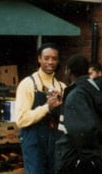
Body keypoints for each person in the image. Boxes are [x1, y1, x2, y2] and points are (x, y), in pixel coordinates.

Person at [16, 43, 66, 174]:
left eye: (54, 58)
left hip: (56, 141)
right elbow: (21, 120)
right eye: (46, 58)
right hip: (34, 140)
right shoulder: (27, 84)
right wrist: (47, 107)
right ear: (39, 59)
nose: (50, 62)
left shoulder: (62, 87)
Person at [55, 55, 102, 174]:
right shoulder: (93, 88)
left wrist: (85, 160)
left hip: (77, 159)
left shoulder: (76, 95)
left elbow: (82, 130)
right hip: (97, 156)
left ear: (69, 71)